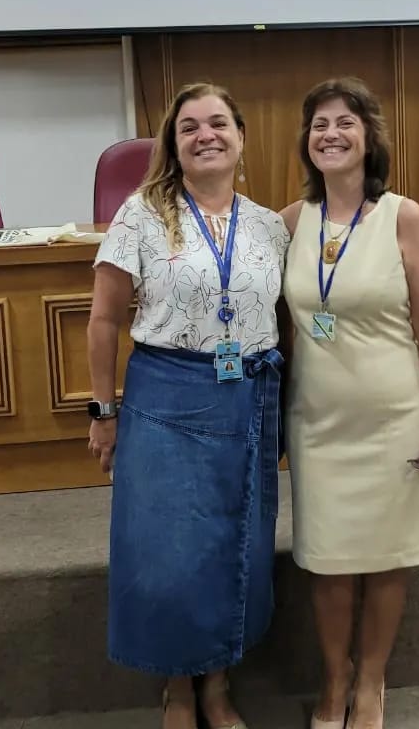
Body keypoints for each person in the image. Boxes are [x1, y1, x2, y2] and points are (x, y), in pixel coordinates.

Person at [87, 83, 289, 729]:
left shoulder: (268, 226)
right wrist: (102, 412)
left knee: (233, 545)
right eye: (190, 126)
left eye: (219, 123)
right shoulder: (140, 215)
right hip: (167, 398)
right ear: (173, 145)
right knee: (169, 552)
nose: (206, 135)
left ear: (241, 136)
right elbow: (103, 320)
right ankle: (178, 686)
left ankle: (218, 685)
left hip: (247, 400)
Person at [281, 76, 419, 729]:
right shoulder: (290, 222)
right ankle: (335, 680)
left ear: (368, 137)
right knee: (327, 561)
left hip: (393, 419)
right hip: (319, 423)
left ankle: (373, 682)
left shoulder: (402, 217)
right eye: (319, 123)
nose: (331, 134)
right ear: (307, 140)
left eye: (345, 122)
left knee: (387, 558)